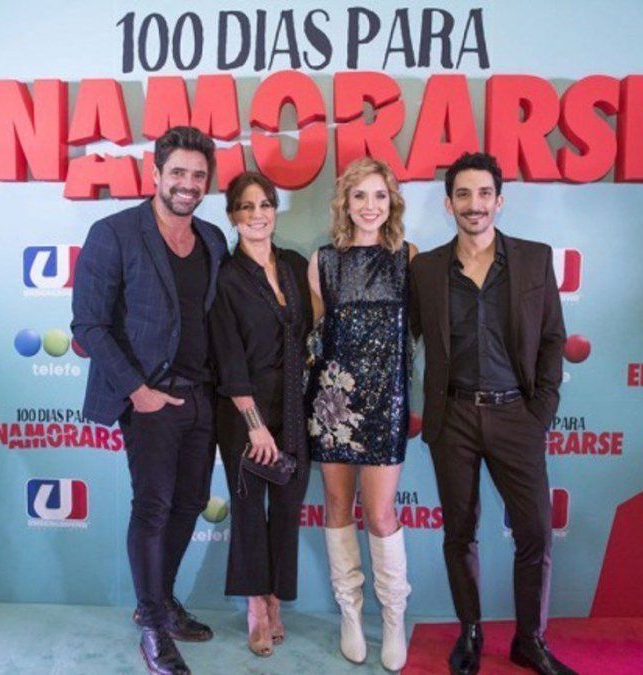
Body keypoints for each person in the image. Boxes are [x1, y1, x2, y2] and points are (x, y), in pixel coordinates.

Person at [409, 152, 574, 675]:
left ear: (499, 201)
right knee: (459, 532)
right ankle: (471, 632)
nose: (474, 204)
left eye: (484, 194)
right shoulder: (425, 269)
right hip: (452, 417)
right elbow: (404, 336)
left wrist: (541, 410)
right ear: (449, 204)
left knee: (535, 533)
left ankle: (530, 640)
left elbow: (553, 339)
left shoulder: (533, 259)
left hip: (516, 415)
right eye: (463, 194)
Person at [71, 126, 228, 675]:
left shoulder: (213, 239)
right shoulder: (113, 233)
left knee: (190, 502)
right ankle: (155, 627)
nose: (188, 184)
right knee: (154, 507)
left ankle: (158, 602)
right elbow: (88, 324)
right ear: (156, 174)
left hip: (200, 396)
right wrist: (138, 392)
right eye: (178, 172)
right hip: (148, 399)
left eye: (198, 175)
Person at [307, 157, 417, 672]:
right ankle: (350, 614)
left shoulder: (408, 259)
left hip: (387, 402)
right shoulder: (324, 262)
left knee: (379, 513)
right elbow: (311, 336)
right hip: (334, 403)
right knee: (336, 503)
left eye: (379, 196)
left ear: (391, 203)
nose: (370, 206)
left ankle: (393, 617)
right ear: (345, 204)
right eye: (360, 196)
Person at [209, 171, 313, 657]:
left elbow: (310, 332)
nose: (257, 215)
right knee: (250, 510)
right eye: (246, 207)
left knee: (288, 509)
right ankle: (255, 607)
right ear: (233, 215)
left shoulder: (294, 265)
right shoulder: (226, 278)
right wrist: (256, 428)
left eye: (265, 204)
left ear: (275, 210)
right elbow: (229, 360)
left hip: (294, 407)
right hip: (244, 414)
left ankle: (275, 599)